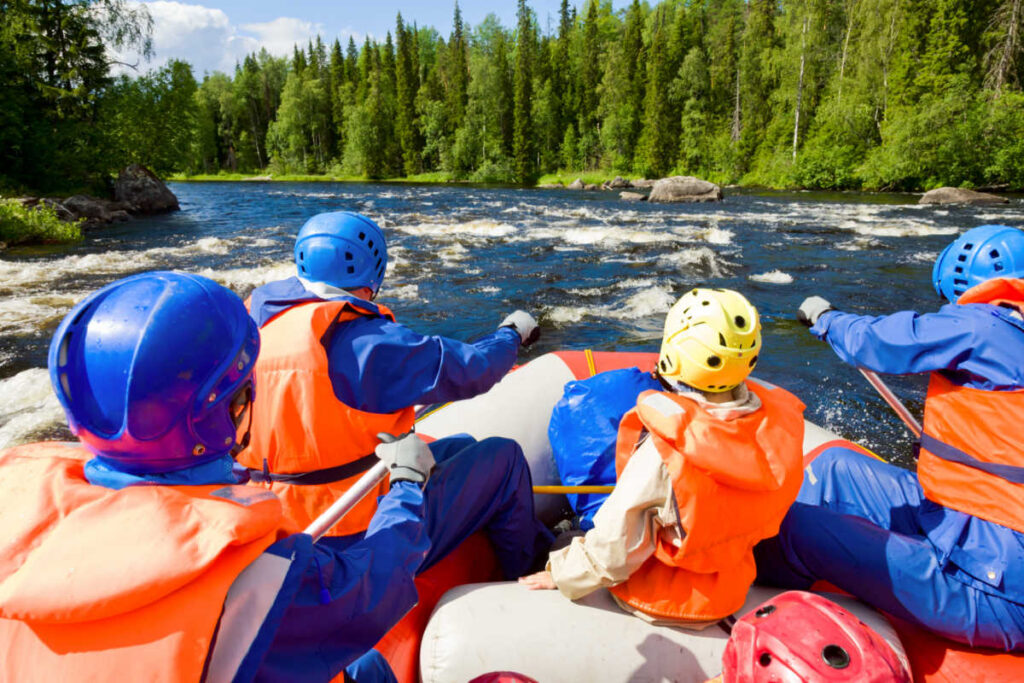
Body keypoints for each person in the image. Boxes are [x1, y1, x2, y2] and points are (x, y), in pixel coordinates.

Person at [0, 271, 457, 681]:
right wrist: (406, 483)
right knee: (370, 667)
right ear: (228, 410)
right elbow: (373, 586)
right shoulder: (258, 573)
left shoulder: (16, 507)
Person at [238, 211, 551, 582]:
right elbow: (476, 368)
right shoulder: (368, 343)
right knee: (504, 458)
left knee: (462, 444)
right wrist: (511, 333)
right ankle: (532, 571)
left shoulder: (251, 324)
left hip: (269, 525)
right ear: (374, 273)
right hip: (350, 537)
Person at [758, 224, 1024, 651]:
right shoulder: (1010, 331)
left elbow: (881, 342)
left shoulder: (982, 329)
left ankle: (727, 589)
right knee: (834, 468)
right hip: (963, 518)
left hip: (996, 583)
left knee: (792, 529)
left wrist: (827, 319)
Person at [520, 289, 806, 627]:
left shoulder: (665, 449)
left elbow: (615, 546)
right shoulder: (778, 427)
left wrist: (562, 574)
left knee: (562, 543)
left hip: (658, 597)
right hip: (730, 585)